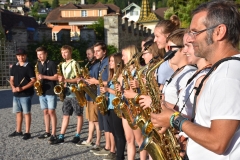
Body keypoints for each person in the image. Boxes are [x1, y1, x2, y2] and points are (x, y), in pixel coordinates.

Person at [151, 1, 240, 159]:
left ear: (219, 31)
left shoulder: (227, 75)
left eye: (195, 32)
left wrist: (174, 119)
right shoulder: (221, 70)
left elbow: (218, 142)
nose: (191, 40)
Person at [51, 45, 84, 145]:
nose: (63, 54)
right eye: (62, 53)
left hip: (75, 92)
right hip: (67, 93)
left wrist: (66, 80)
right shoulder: (62, 64)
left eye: (65, 52)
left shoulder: (74, 63)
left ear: (70, 52)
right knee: (65, 115)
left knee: (78, 114)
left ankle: (77, 135)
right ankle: (61, 136)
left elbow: (79, 79)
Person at [121, 45, 147, 160]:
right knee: (129, 139)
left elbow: (146, 90)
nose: (122, 58)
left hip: (136, 108)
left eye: (123, 55)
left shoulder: (141, 70)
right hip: (127, 106)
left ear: (130, 55)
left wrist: (139, 84)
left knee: (140, 140)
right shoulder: (126, 71)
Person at [85, 42, 111, 156]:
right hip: (100, 96)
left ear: (104, 51)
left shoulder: (107, 63)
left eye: (97, 51)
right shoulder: (100, 63)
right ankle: (107, 146)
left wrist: (95, 82)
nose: (95, 54)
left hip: (106, 96)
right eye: (94, 51)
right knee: (104, 125)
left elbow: (110, 82)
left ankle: (110, 148)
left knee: (108, 125)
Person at [100, 52, 126, 160]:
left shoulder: (121, 76)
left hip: (118, 108)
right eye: (109, 61)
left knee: (119, 134)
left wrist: (107, 90)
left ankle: (120, 157)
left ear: (117, 62)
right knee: (114, 133)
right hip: (111, 107)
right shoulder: (113, 75)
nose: (109, 63)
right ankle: (117, 154)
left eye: (111, 61)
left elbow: (120, 93)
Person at [76, 46, 101, 149]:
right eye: (87, 54)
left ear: (94, 55)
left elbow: (95, 81)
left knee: (96, 121)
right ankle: (89, 139)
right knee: (90, 120)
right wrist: (82, 80)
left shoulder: (97, 66)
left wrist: (86, 82)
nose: (87, 56)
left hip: (95, 96)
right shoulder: (90, 66)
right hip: (89, 96)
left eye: (89, 54)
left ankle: (98, 142)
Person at [8, 48, 36, 140]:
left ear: (25, 56)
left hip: (26, 93)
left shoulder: (28, 66)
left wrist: (22, 88)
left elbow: (33, 80)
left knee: (26, 113)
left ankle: (27, 132)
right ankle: (18, 131)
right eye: (19, 56)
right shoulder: (14, 67)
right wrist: (13, 87)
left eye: (23, 55)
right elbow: (11, 79)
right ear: (17, 56)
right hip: (16, 93)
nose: (21, 57)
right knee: (18, 112)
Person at [35, 46, 58, 143]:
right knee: (45, 112)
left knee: (51, 112)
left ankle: (54, 134)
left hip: (51, 91)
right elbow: (37, 76)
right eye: (38, 55)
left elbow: (56, 77)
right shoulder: (38, 64)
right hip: (42, 91)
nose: (39, 57)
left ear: (46, 54)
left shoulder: (52, 63)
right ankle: (47, 131)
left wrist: (44, 76)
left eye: (41, 54)